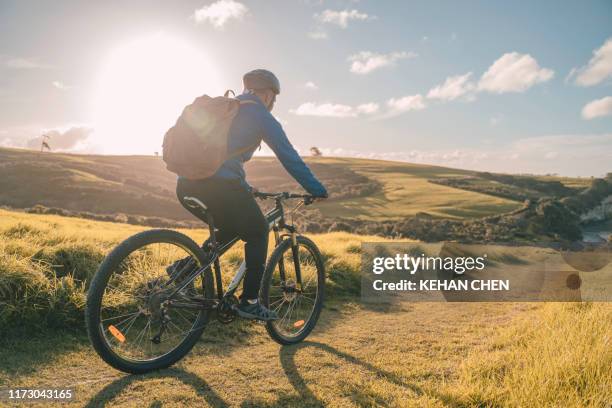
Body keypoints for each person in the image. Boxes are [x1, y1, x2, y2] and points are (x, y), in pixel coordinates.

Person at [175, 69, 328, 321]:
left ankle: (182, 271)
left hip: (186, 184)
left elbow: (223, 159)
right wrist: (317, 189)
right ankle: (250, 301)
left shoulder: (227, 108)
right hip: (219, 187)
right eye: (274, 99)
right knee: (257, 231)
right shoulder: (259, 114)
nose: (273, 103)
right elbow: (288, 155)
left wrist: (245, 188)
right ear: (268, 94)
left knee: (233, 227)